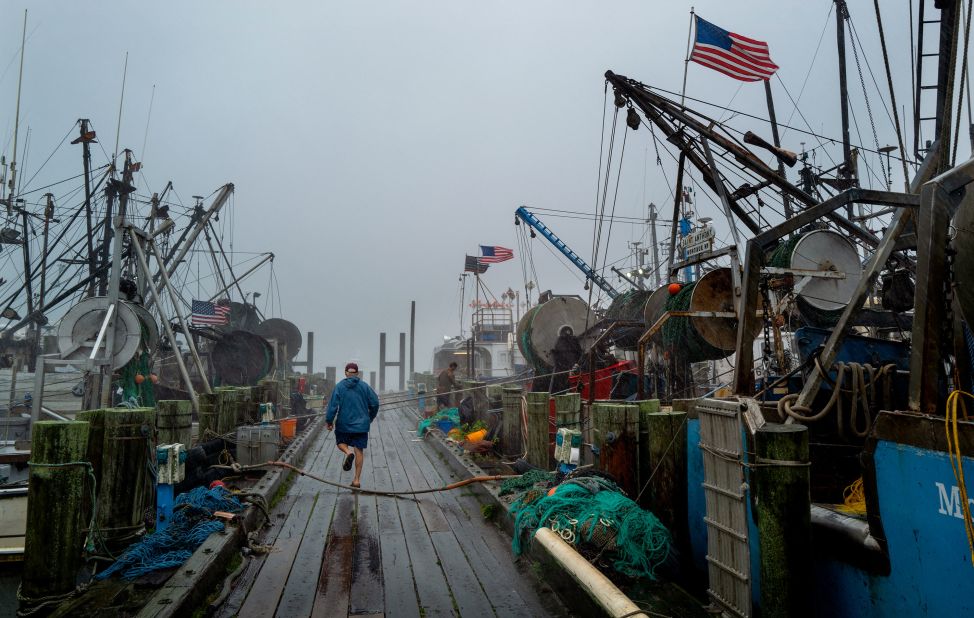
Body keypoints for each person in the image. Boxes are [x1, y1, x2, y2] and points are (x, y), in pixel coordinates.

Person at [325, 362, 379, 489]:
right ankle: (356, 480)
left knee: (340, 442)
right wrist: (369, 417)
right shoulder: (365, 387)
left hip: (344, 423)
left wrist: (329, 421)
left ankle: (348, 452)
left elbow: (333, 406)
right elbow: (375, 403)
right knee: (359, 450)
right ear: (357, 373)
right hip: (361, 425)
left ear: (345, 373)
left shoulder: (339, 387)